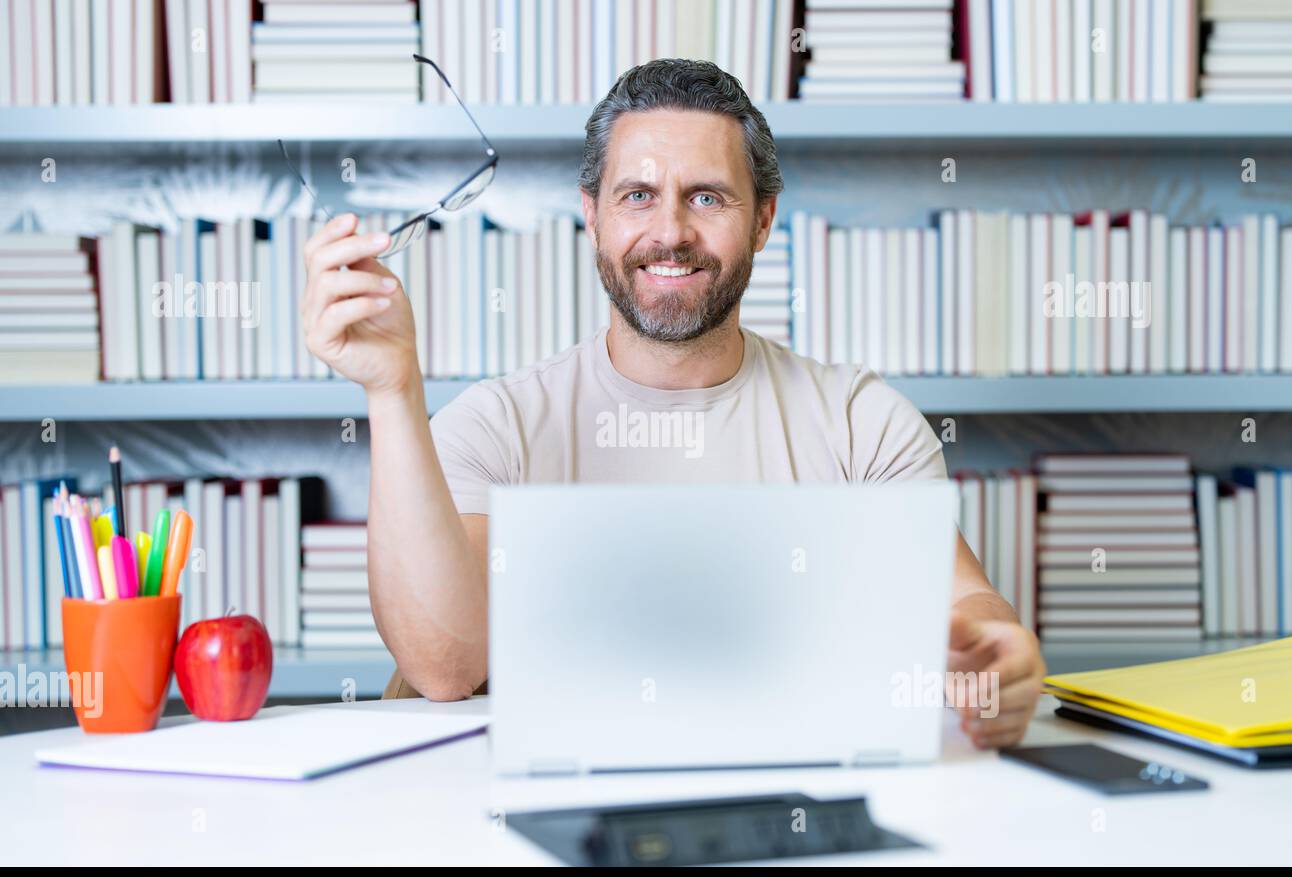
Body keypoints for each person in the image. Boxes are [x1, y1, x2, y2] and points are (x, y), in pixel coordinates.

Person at [298, 58, 1046, 750]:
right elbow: (445, 666)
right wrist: (391, 388)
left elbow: (966, 605)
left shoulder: (862, 422)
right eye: (637, 196)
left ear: (762, 218)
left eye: (708, 197)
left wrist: (994, 653)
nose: (670, 234)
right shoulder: (494, 427)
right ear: (592, 214)